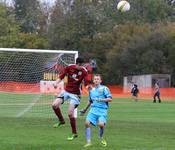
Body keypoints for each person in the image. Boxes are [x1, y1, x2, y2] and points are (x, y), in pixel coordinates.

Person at [52, 57, 90, 141]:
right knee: (54, 105)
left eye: (81, 65)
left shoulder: (84, 71)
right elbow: (61, 76)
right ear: (76, 64)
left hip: (76, 94)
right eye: (79, 65)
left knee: (70, 113)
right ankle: (61, 121)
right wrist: (56, 83)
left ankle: (74, 133)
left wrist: (89, 88)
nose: (80, 67)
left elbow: (87, 82)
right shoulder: (70, 67)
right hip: (66, 91)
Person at [80, 74, 112, 147]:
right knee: (87, 123)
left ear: (100, 81)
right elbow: (90, 101)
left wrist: (101, 99)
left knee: (101, 125)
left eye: (98, 79)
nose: (96, 80)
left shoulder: (104, 88)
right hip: (93, 109)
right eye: (95, 79)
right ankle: (88, 142)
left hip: (102, 110)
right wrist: (84, 109)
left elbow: (110, 99)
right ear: (93, 81)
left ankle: (101, 137)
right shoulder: (92, 90)